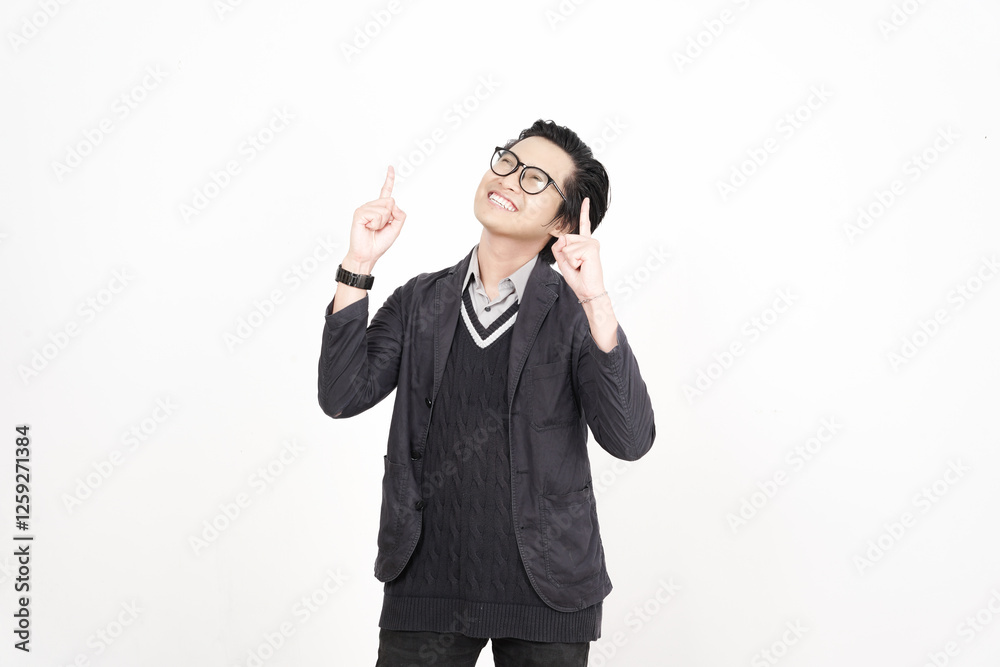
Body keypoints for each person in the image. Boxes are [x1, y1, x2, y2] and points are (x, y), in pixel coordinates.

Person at [317, 119, 656, 666]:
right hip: (426, 580)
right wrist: (357, 265)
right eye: (507, 162)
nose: (509, 179)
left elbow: (630, 440)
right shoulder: (419, 301)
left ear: (564, 221)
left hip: (547, 588)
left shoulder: (575, 316)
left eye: (535, 179)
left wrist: (596, 300)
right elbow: (341, 394)